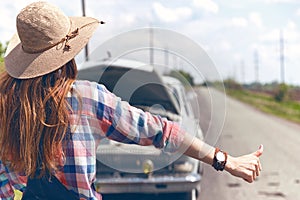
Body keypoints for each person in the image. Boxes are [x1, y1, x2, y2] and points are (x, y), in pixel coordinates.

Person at [0, 1, 263, 200]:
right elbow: (162, 131)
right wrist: (226, 160)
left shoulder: (3, 105)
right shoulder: (87, 99)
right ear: (67, 57)